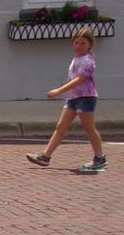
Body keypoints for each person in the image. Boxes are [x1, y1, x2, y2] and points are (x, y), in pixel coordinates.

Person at [26, 28, 106, 171]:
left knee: (89, 128)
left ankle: (99, 158)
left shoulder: (87, 61)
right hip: (73, 98)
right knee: (60, 127)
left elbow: (79, 80)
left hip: (85, 98)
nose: (79, 46)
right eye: (76, 43)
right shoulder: (77, 58)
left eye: (83, 43)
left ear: (89, 45)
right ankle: (45, 156)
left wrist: (59, 90)